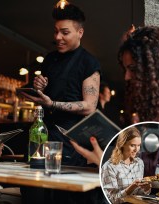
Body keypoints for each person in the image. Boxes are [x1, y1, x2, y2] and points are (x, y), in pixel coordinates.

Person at [22, 2, 101, 167]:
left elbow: (89, 107)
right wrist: (39, 87)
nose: (58, 37)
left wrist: (52, 103)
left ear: (80, 33)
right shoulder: (50, 59)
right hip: (42, 135)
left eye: (64, 32)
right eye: (56, 32)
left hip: (69, 143)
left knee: (62, 191)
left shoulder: (89, 62)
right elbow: (42, 93)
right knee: (32, 188)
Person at [101, 127, 151, 204]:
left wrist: (146, 189)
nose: (136, 149)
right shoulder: (109, 166)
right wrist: (132, 187)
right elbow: (112, 200)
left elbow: (140, 194)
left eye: (138, 145)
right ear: (122, 144)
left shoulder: (139, 163)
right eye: (133, 145)